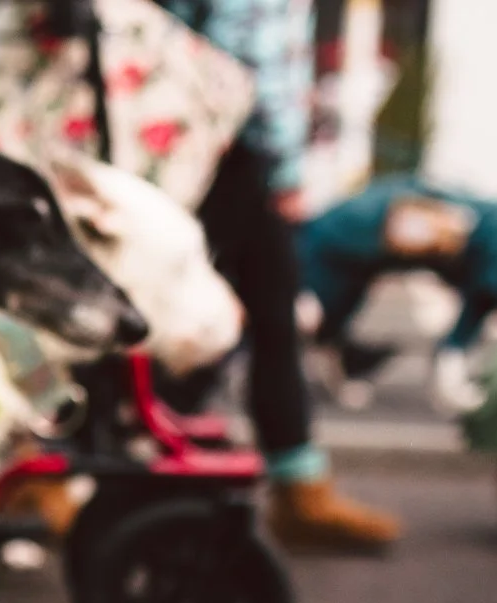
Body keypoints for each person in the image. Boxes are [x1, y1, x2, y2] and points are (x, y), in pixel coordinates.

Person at [164, 0, 401, 553]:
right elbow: (247, 52)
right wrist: (286, 165)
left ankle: (295, 479)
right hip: (237, 147)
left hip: (200, 136)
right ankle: (292, 487)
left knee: (257, 315)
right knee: (261, 315)